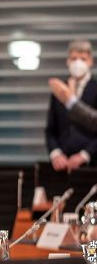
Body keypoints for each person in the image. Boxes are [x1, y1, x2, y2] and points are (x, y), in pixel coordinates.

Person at [45, 40, 97, 172]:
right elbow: (51, 128)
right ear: (68, 60)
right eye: (74, 58)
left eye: (83, 59)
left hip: (91, 167)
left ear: (90, 61)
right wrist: (56, 153)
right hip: (62, 167)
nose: (78, 63)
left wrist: (85, 155)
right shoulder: (60, 89)